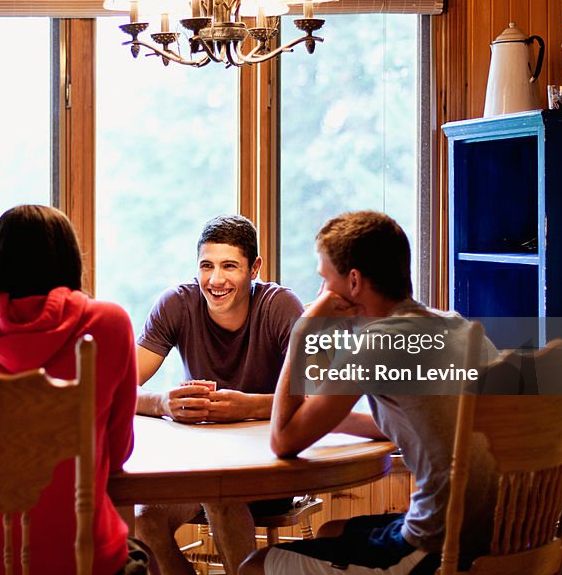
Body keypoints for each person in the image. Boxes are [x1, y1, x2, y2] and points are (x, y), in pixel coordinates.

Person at [240, 210, 497, 575]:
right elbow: (427, 423)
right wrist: (330, 418)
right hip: (502, 536)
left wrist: (303, 331)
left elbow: (283, 441)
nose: (319, 295)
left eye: (324, 281)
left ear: (354, 282)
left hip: (438, 549)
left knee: (255, 565)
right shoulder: (458, 328)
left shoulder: (377, 342)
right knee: (333, 530)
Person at [0, 205, 143, 575]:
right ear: (70, 259)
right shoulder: (108, 323)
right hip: (76, 557)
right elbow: (118, 454)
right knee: (142, 551)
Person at [135, 215, 304, 575]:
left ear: (254, 267)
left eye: (230, 266)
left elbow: (317, 398)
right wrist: (162, 402)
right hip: (199, 468)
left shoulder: (280, 307)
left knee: (220, 494)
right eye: (206, 266)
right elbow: (117, 388)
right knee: (145, 518)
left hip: (271, 469)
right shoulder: (176, 305)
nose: (216, 280)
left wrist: (248, 406)